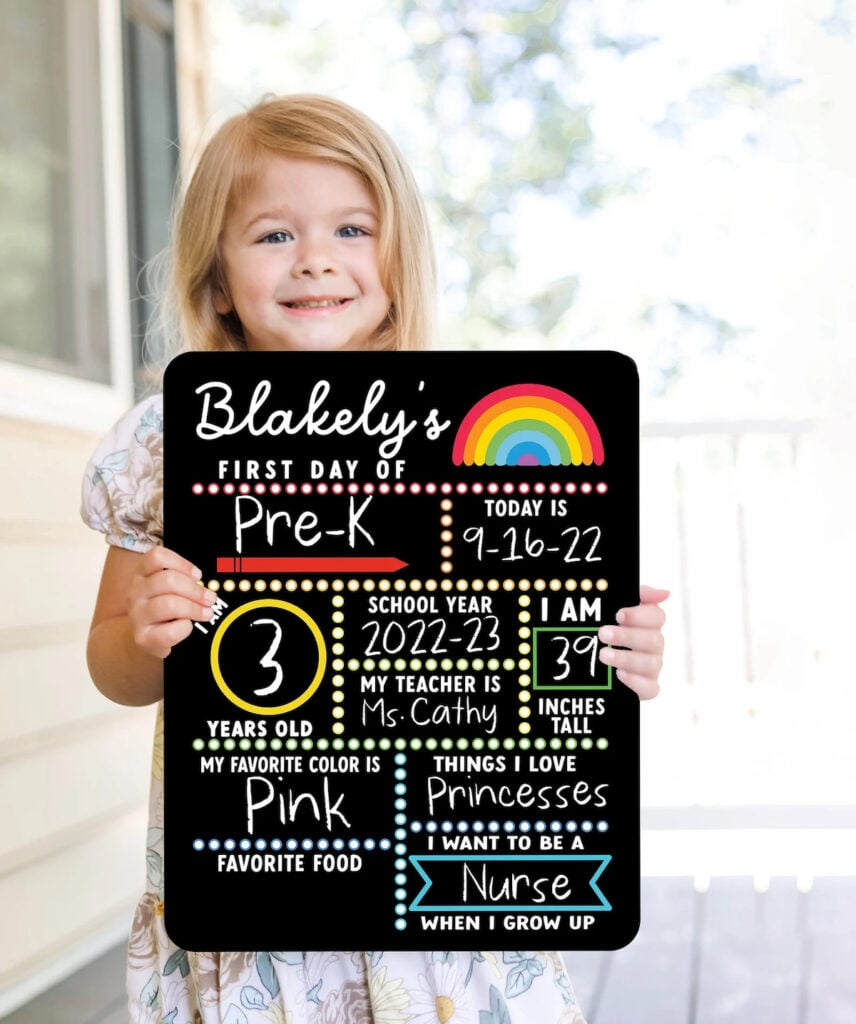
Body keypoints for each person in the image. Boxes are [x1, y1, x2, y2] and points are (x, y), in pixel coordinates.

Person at [82, 94, 669, 1024]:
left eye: (352, 228)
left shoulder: (477, 434)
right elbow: (112, 661)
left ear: (397, 262)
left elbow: (529, 659)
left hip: (447, 893)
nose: (316, 258)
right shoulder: (165, 442)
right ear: (220, 279)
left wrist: (612, 659)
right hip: (258, 881)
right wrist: (145, 637)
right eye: (274, 235)